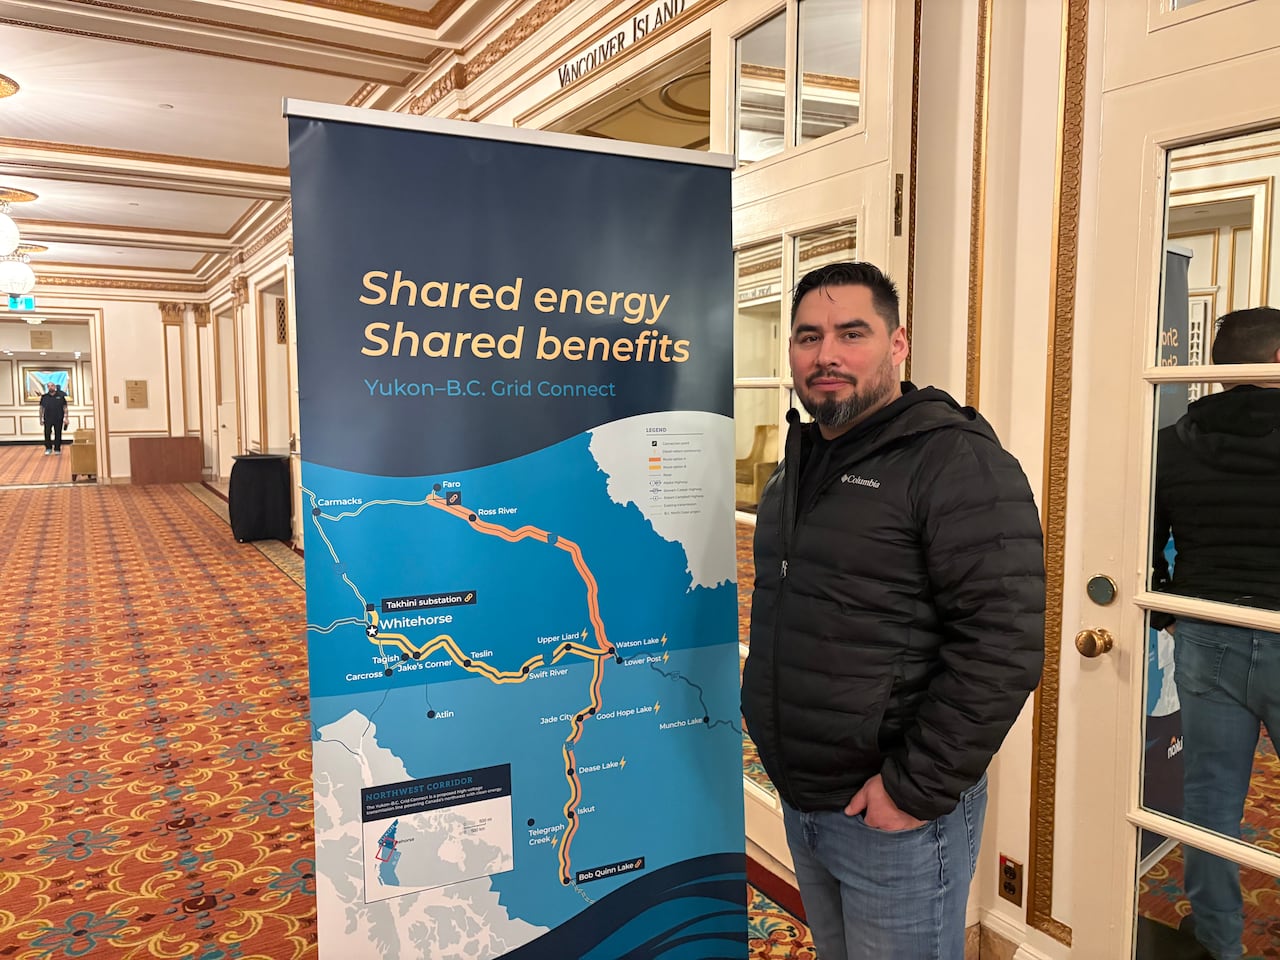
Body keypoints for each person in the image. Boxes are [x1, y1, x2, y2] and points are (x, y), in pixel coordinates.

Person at [740, 261, 1045, 960]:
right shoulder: (796, 465)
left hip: (897, 817)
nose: (827, 355)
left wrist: (911, 790)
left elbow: (1004, 643)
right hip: (804, 794)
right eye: (808, 336)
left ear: (898, 344)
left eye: (853, 333)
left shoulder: (954, 461)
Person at [1151, 306, 1280, 960]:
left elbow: (1148, 548)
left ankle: (1219, 944)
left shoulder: (1174, 441)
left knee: (1209, 804)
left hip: (1207, 635)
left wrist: (1170, 609)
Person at [39, 380, 69, 455]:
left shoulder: (61, 396)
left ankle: (57, 449)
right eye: (48, 386)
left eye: (51, 386)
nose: (50, 387)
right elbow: (41, 409)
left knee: (58, 433)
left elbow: (65, 407)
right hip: (47, 418)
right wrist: (40, 418)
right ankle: (48, 448)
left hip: (58, 418)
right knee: (47, 433)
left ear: (54, 387)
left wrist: (66, 418)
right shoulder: (44, 397)